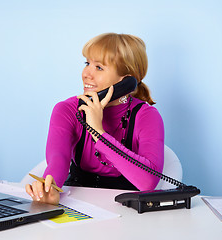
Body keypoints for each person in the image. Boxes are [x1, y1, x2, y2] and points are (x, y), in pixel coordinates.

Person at [25, 33, 164, 205]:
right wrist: (50, 186)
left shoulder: (147, 116)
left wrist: (98, 132)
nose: (86, 74)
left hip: (127, 211)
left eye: (99, 67)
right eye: (87, 63)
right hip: (80, 205)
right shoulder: (67, 110)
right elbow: (57, 160)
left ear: (126, 81)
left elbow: (148, 182)